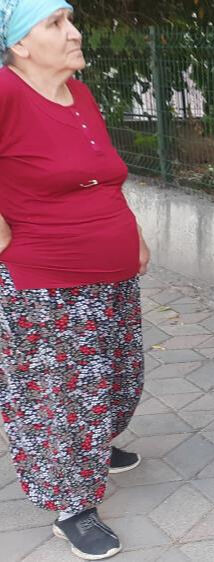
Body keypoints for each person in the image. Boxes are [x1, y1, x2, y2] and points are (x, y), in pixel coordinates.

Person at [0, 1, 149, 558]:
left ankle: (92, 446)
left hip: (110, 272)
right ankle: (71, 506)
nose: (73, 32)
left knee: (119, 375)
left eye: (70, 19)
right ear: (20, 44)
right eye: (55, 24)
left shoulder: (79, 95)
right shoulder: (7, 93)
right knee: (60, 396)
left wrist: (131, 234)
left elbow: (102, 175)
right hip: (46, 282)